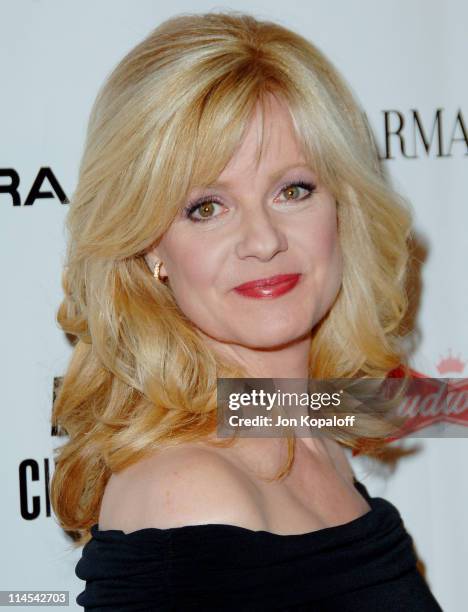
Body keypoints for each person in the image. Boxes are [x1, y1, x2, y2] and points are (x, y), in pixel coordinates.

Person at [50, 10, 443, 611]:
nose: (262, 240)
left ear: (343, 211)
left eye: (294, 190)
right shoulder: (191, 497)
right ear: (150, 246)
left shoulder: (309, 436)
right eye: (206, 207)